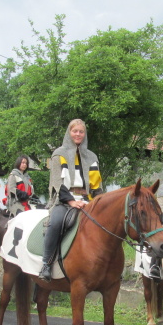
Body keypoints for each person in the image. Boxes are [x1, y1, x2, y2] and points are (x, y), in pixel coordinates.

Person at [39, 119, 103, 281]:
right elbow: (57, 183)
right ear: (69, 132)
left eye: (81, 131)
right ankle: (46, 264)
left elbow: (97, 185)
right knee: (56, 222)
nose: (78, 134)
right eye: (75, 131)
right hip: (64, 200)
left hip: (88, 200)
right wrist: (72, 202)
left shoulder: (92, 157)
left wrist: (100, 202)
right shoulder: (59, 154)